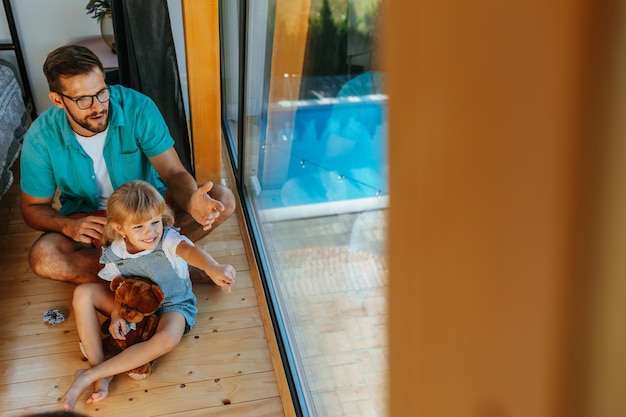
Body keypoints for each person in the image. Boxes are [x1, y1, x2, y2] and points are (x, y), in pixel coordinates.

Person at [20, 44, 235, 284]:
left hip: (149, 214)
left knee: (222, 199)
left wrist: (192, 199)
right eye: (83, 100)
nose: (98, 106)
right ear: (58, 100)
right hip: (94, 224)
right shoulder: (40, 137)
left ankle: (135, 278)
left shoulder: (138, 107)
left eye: (102, 92)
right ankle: (171, 269)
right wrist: (68, 226)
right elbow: (32, 208)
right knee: (44, 256)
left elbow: (173, 173)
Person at [63, 180, 236, 411]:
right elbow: (119, 288)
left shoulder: (168, 240)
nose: (150, 232)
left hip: (173, 304)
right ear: (120, 228)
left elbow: (192, 252)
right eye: (139, 227)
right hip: (134, 308)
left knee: (167, 339)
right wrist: (116, 314)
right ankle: (101, 374)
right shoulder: (115, 252)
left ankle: (89, 375)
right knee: (83, 293)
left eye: (155, 222)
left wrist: (213, 268)